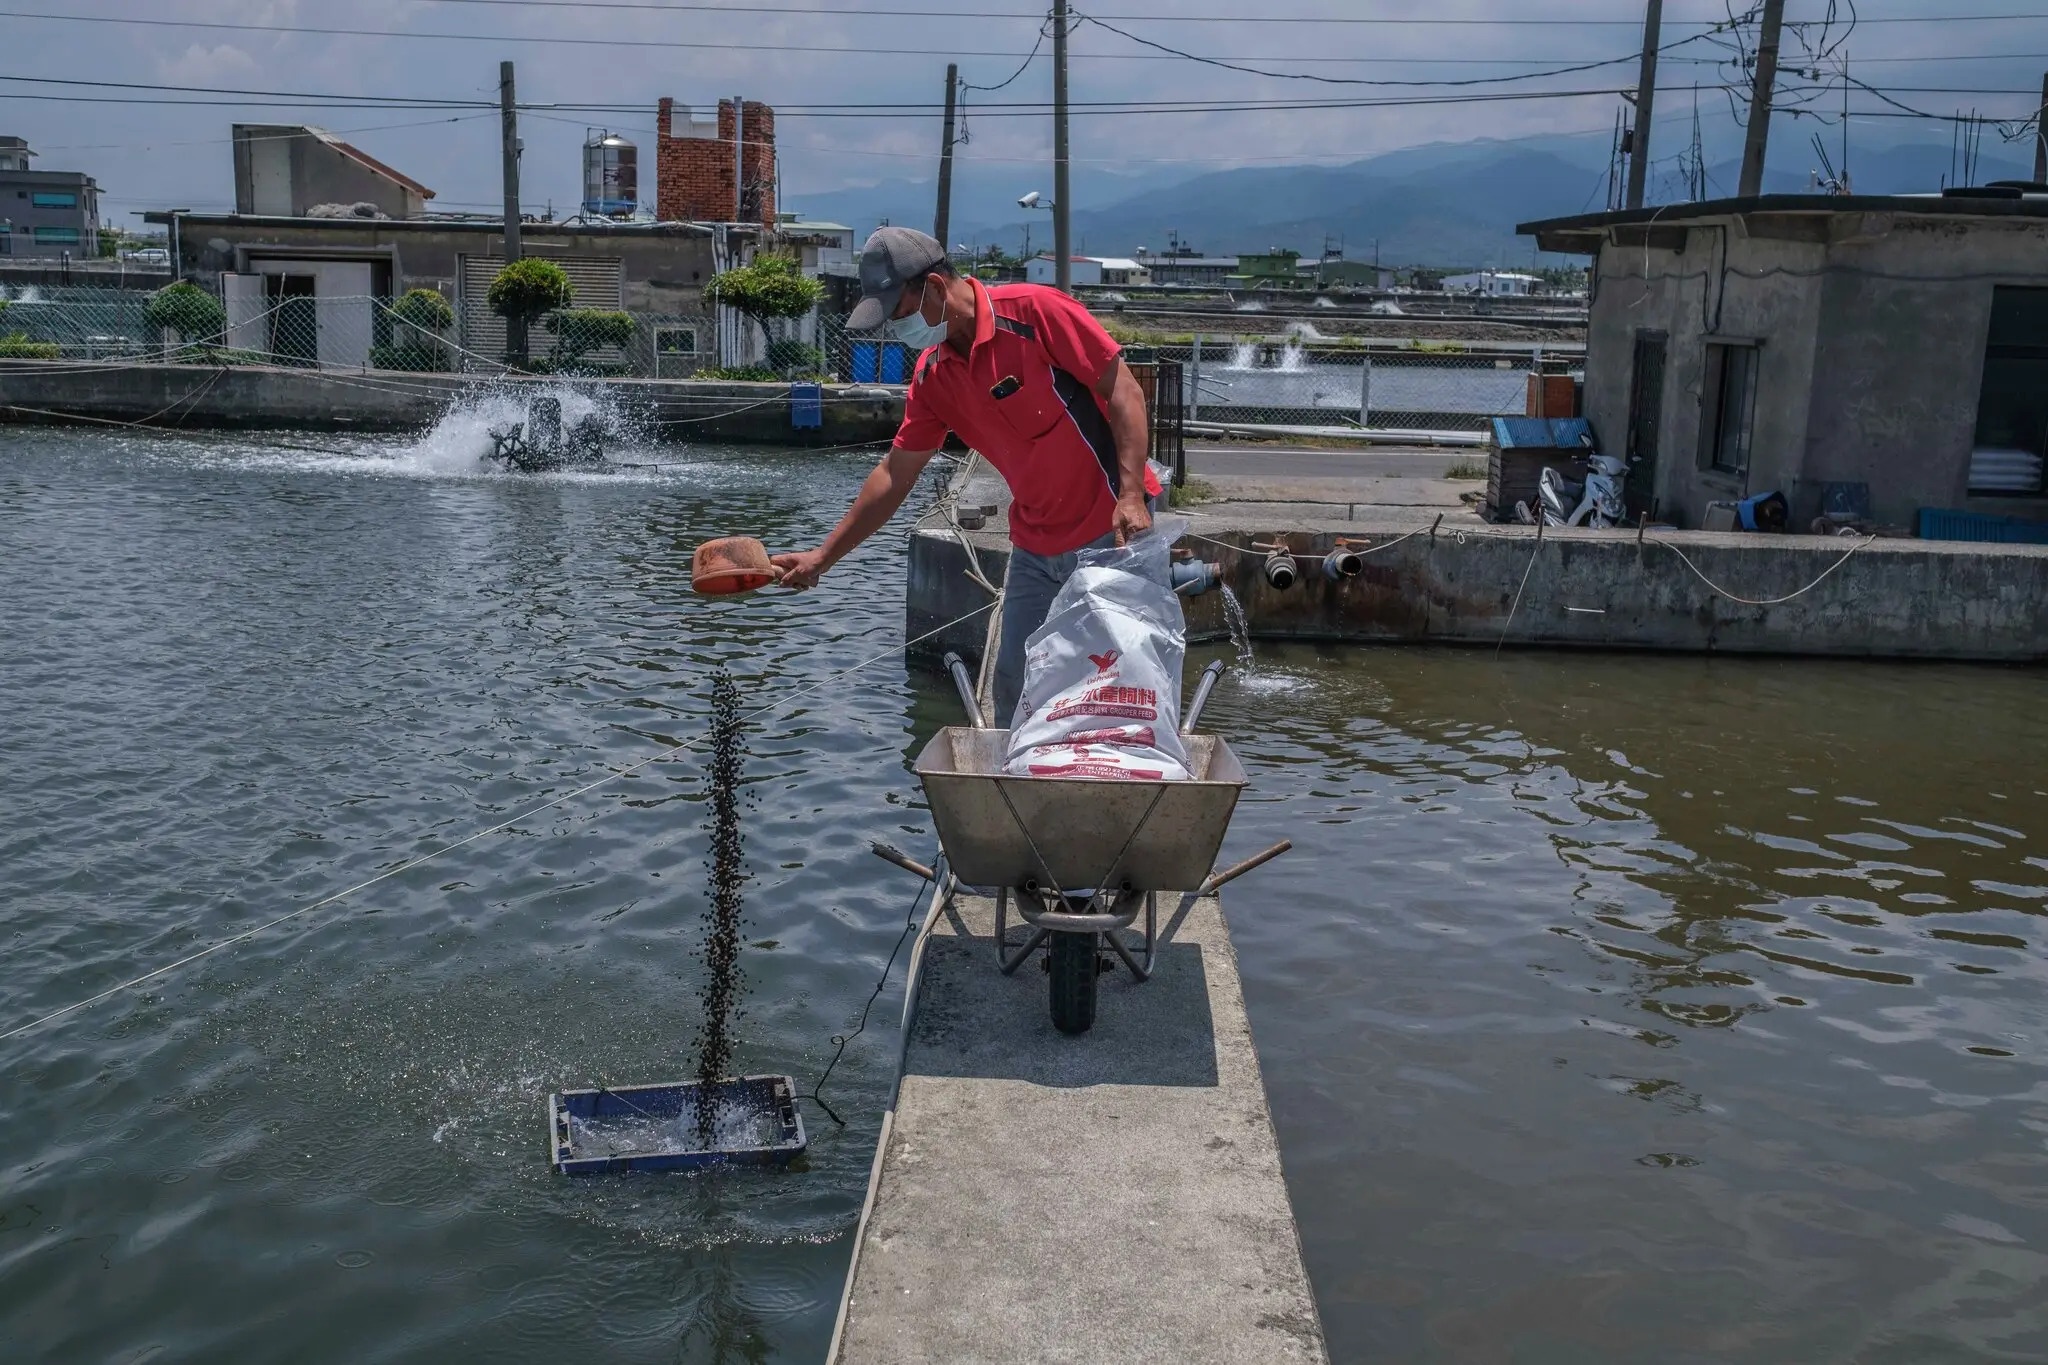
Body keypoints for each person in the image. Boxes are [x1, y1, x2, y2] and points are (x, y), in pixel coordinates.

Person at [771, 227, 1159, 723]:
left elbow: (1125, 392)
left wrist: (1130, 495)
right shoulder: (933, 377)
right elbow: (895, 473)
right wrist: (823, 557)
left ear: (934, 288)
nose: (897, 326)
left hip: (1111, 533)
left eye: (899, 311)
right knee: (1014, 688)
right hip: (1035, 548)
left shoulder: (1036, 313)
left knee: (1118, 688)